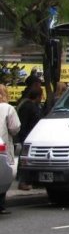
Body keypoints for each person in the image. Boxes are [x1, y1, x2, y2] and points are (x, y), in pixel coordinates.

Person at [0, 84, 21, 214]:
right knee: (3, 173)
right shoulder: (8, 108)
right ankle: (1, 204)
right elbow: (15, 128)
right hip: (3, 145)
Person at [16, 88, 42, 190]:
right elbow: (24, 123)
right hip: (28, 137)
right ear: (38, 97)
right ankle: (23, 181)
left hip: (30, 137)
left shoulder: (29, 105)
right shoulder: (28, 107)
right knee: (25, 160)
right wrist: (24, 137)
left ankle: (31, 181)